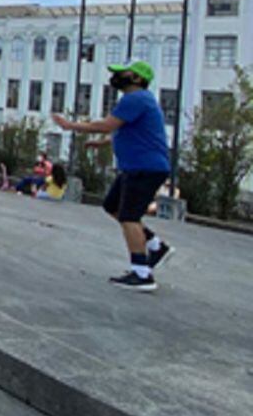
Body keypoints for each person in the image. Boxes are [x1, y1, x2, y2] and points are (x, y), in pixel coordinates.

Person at [53, 60, 173, 292]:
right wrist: (103, 144)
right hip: (137, 167)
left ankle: (142, 273)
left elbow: (108, 125)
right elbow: (127, 131)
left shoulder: (136, 98)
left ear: (137, 78)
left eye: (122, 73)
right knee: (112, 206)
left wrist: (71, 125)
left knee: (129, 216)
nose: (117, 76)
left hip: (144, 168)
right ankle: (155, 246)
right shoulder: (139, 101)